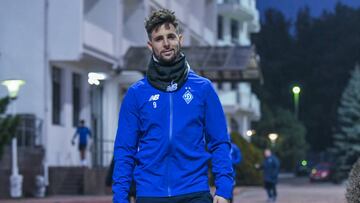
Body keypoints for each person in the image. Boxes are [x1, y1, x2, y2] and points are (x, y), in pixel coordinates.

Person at [113, 9, 233, 203]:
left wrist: (224, 189)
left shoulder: (202, 88)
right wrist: (120, 197)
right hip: (150, 194)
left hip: (194, 192)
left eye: (171, 36)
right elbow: (125, 149)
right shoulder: (136, 94)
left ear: (180, 39)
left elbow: (219, 142)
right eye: (159, 39)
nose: (166, 43)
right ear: (150, 45)